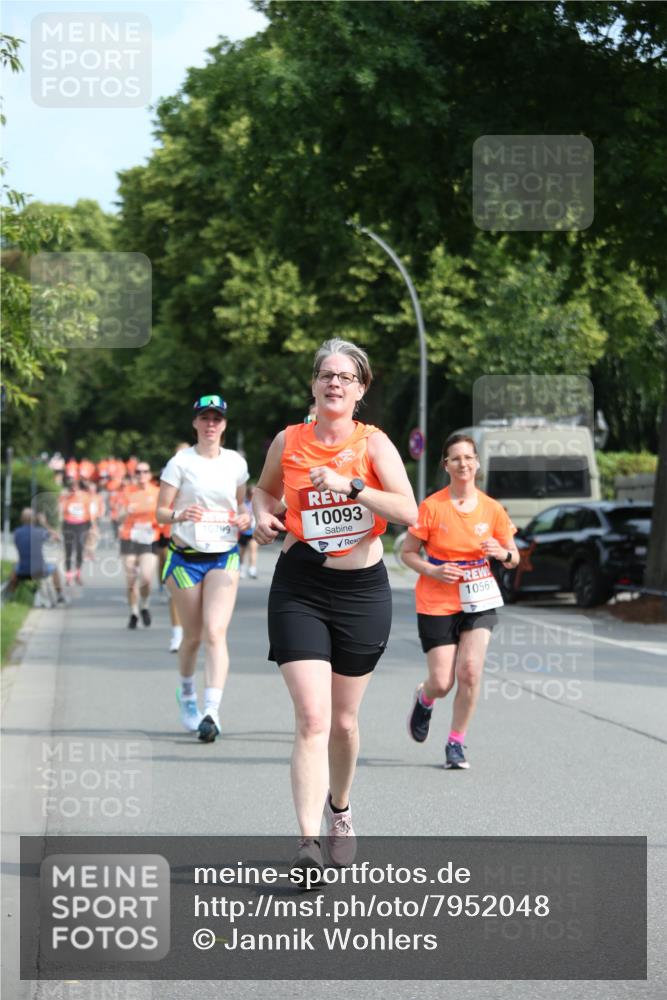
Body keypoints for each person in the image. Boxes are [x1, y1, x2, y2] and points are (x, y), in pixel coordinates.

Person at [253, 338, 417, 879]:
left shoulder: (374, 445)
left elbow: (408, 510)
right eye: (326, 374)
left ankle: (339, 811)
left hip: (362, 591)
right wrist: (260, 516)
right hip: (299, 586)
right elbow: (264, 492)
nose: (335, 384)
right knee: (312, 718)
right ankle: (306, 844)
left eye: (346, 377)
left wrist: (351, 486)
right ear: (314, 383)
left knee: (344, 722)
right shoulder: (290, 440)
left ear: (361, 389)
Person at [403, 433, 519, 770]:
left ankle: (456, 742)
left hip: (479, 598)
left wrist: (503, 553)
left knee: (469, 672)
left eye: (468, 457)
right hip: (437, 599)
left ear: (477, 463)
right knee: (442, 681)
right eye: (456, 458)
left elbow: (514, 557)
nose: (463, 464)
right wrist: (433, 571)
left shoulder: (492, 509)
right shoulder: (432, 506)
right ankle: (425, 698)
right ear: (446, 465)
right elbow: (408, 553)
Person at [156, 395, 250, 742]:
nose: (211, 424)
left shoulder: (236, 464)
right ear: (195, 423)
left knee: (215, 632)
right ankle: (187, 692)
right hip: (185, 558)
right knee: (193, 636)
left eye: (217, 419)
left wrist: (245, 518)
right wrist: (181, 514)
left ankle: (211, 710)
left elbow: (241, 506)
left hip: (223, 555)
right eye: (205, 418)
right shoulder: (180, 463)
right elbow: (161, 512)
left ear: (224, 425)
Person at [118, 462, 160, 629]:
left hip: (149, 538)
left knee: (146, 578)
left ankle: (144, 605)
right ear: (134, 474)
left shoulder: (156, 492)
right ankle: (134, 612)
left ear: (150, 474)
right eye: (138, 472)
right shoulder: (128, 492)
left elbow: (163, 513)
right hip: (130, 537)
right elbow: (119, 517)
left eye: (145, 471)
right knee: (130, 580)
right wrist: (126, 511)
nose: (142, 475)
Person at [9, 509, 66, 604]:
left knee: (15, 568)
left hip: (22, 571)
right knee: (54, 568)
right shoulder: (40, 532)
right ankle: (59, 595)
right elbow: (58, 538)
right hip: (40, 570)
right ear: (34, 519)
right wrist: (44, 523)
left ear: (21, 519)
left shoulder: (17, 533)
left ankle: (11, 595)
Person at [59, 478, 92, 585]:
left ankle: (78, 574)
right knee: (68, 551)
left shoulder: (86, 496)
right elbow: (60, 511)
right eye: (71, 485)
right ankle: (68, 575)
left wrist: (91, 526)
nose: (73, 488)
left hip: (81, 525)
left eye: (75, 485)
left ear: (79, 486)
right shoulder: (65, 497)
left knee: (79, 549)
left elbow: (90, 512)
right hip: (68, 525)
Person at [238, 484, 258, 579]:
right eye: (251, 493)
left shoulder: (257, 503)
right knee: (242, 551)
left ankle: (252, 569)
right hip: (244, 531)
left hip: (253, 531)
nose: (252, 495)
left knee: (253, 550)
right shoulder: (243, 503)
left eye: (254, 493)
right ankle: (242, 568)